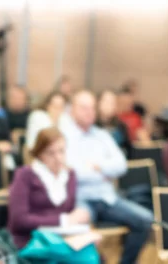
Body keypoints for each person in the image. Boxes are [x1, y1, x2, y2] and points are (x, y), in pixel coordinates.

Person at [62, 90, 153, 264]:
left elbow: (121, 165)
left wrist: (99, 167)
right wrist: (103, 173)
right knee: (79, 230)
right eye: (83, 108)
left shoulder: (102, 136)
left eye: (92, 108)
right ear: (72, 110)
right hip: (80, 199)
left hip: (107, 198)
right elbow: (72, 173)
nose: (89, 112)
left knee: (145, 220)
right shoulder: (65, 137)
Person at [8, 127, 93, 249]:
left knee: (92, 254)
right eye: (51, 153)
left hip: (64, 239)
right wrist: (63, 220)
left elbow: (72, 212)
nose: (58, 158)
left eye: (61, 151)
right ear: (40, 154)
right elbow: (19, 220)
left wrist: (80, 216)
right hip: (32, 241)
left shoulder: (70, 175)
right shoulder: (25, 175)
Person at [96, 89, 132, 158]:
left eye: (113, 103)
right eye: (107, 102)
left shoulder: (121, 127)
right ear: (98, 103)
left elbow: (128, 152)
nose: (110, 106)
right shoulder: (91, 126)